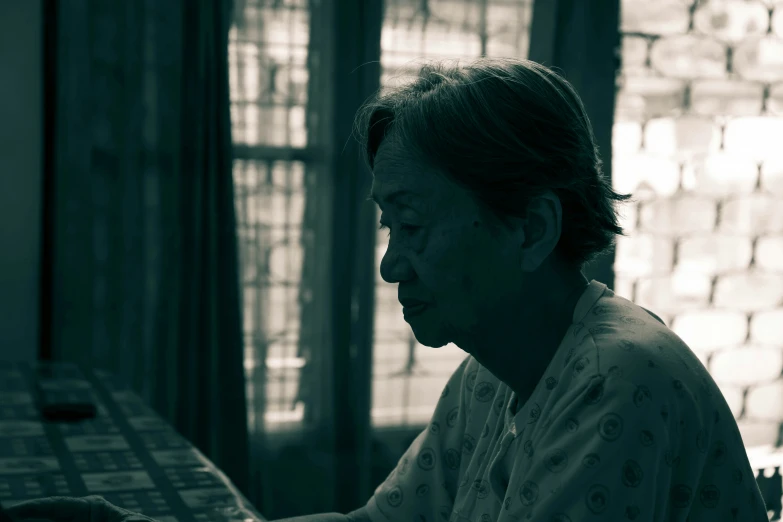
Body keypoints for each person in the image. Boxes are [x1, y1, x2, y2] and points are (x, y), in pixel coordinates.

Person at [6, 58, 769, 522]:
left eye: (412, 225)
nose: (390, 267)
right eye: (387, 228)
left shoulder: (613, 381)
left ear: (531, 230)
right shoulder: (495, 372)